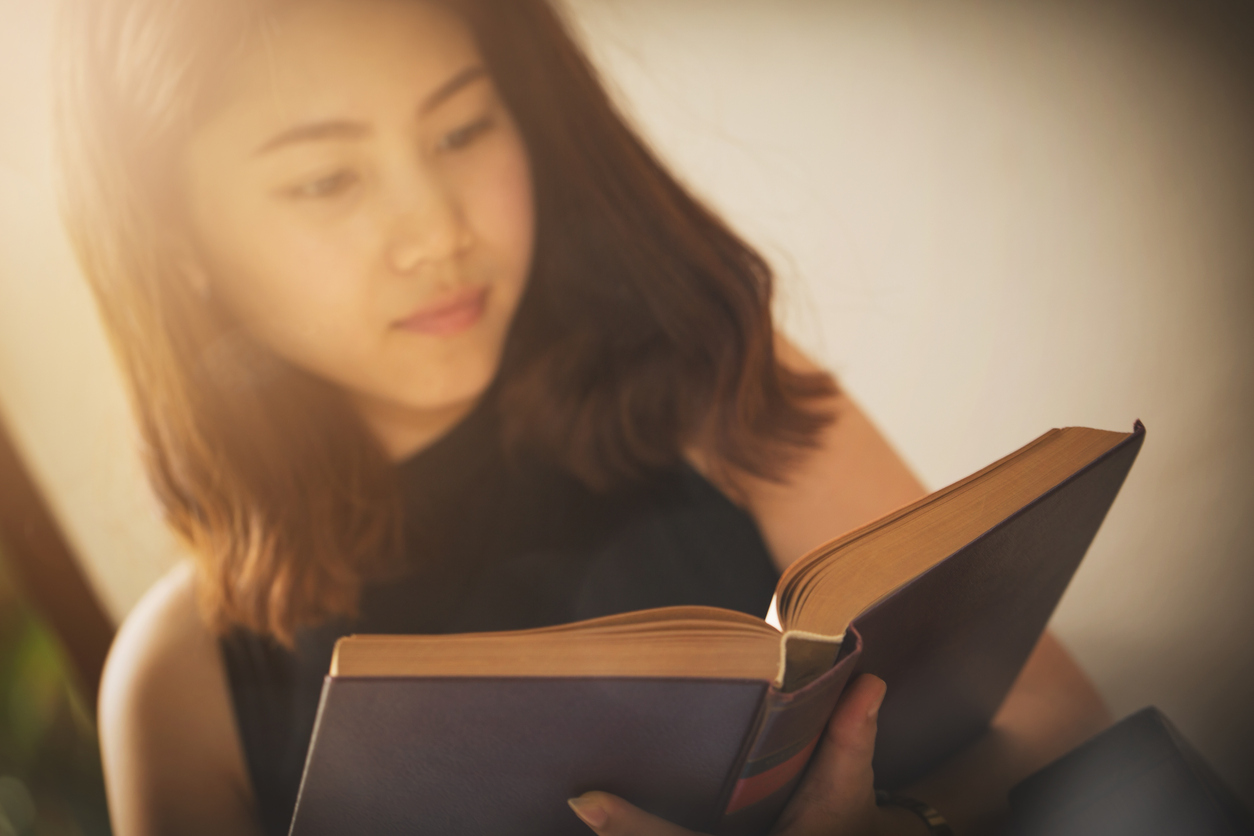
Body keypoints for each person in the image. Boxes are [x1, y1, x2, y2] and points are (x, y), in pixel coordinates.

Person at [54, 0, 1111, 834]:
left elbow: (1062, 721)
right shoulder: (179, 684)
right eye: (327, 179)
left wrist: (908, 825)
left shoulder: (722, 390)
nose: (436, 231)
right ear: (177, 243)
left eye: (463, 127)